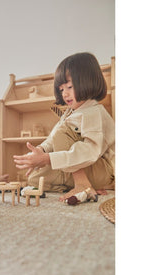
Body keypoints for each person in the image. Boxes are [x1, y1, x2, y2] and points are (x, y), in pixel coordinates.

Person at [13, 52, 115, 201]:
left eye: (69, 87)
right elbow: (52, 138)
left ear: (87, 82)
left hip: (103, 169)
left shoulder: (94, 111)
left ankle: (82, 184)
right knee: (35, 179)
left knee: (63, 132)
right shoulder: (70, 112)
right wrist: (40, 152)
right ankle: (84, 185)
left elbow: (90, 152)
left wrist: (48, 159)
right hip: (85, 168)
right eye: (61, 89)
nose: (65, 94)